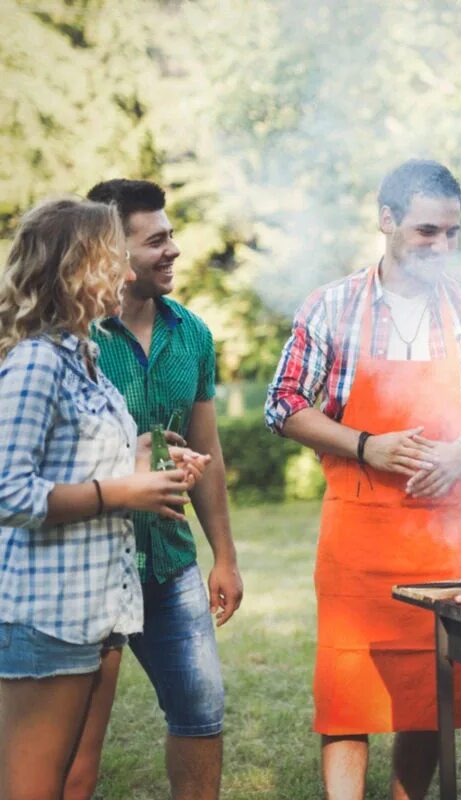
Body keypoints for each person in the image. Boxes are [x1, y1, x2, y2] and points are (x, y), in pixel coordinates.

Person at [265, 159, 461, 799]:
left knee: (430, 690)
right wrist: (367, 446)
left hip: (440, 538)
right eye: (427, 230)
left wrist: (459, 452)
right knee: (345, 693)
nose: (443, 246)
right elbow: (285, 404)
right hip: (356, 534)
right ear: (386, 221)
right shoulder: (332, 304)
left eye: (453, 233)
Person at [0, 197, 208, 800]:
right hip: (47, 617)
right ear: (76, 269)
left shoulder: (84, 357)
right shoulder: (35, 362)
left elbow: (75, 459)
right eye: (112, 260)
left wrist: (145, 454)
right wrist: (124, 489)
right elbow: (9, 492)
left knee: (76, 781)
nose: (124, 274)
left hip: (98, 610)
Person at [58, 179, 244, 800]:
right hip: (88, 566)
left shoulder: (191, 333)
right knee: (73, 741)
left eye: (172, 235)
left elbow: (208, 452)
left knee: (201, 711)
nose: (174, 250)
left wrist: (226, 555)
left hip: (168, 562)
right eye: (156, 240)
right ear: (112, 251)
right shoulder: (70, 337)